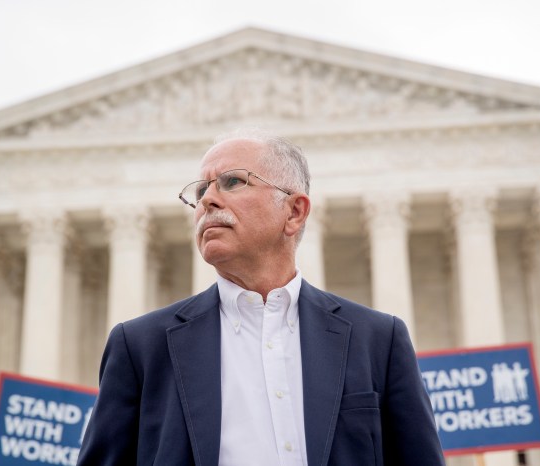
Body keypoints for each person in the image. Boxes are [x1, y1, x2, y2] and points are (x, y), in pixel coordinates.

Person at [77, 129, 445, 465]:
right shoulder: (140, 347)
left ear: (295, 211)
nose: (208, 202)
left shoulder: (378, 340)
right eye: (201, 191)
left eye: (232, 182)